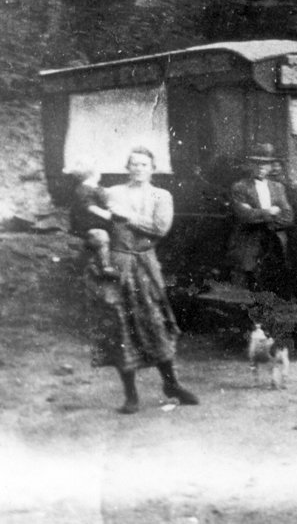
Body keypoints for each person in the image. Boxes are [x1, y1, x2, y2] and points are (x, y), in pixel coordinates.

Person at [86, 147, 198, 414]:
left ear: (153, 169)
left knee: (155, 322)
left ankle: (171, 384)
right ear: (127, 167)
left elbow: (160, 227)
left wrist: (127, 217)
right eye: (134, 164)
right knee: (120, 325)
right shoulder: (112, 193)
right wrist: (99, 243)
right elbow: (90, 217)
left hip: (145, 264)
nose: (138, 168)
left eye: (144, 164)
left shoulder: (162, 195)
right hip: (118, 263)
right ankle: (131, 395)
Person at [228, 143, 295, 291]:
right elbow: (245, 215)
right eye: (256, 163)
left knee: (278, 276)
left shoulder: (278, 187)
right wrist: (270, 212)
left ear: (271, 167)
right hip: (250, 239)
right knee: (252, 278)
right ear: (250, 165)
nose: (261, 167)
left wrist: (259, 215)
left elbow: (288, 216)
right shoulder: (240, 187)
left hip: (274, 239)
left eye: (265, 164)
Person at [69, 165, 118, 280]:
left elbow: (105, 196)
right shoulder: (83, 189)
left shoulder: (96, 187)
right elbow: (90, 206)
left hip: (99, 222)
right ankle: (106, 266)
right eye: (98, 172)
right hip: (87, 222)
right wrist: (105, 214)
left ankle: (80, 265)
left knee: (94, 243)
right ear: (92, 174)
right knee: (101, 237)